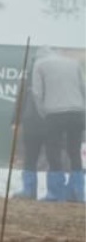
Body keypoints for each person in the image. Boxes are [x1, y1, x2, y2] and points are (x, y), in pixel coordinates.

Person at [29, 46, 86, 202]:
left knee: (53, 151)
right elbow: (83, 88)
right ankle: (77, 191)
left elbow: (37, 92)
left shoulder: (39, 65)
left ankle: (56, 193)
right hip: (76, 112)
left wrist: (43, 113)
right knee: (74, 151)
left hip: (54, 113)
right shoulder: (73, 63)